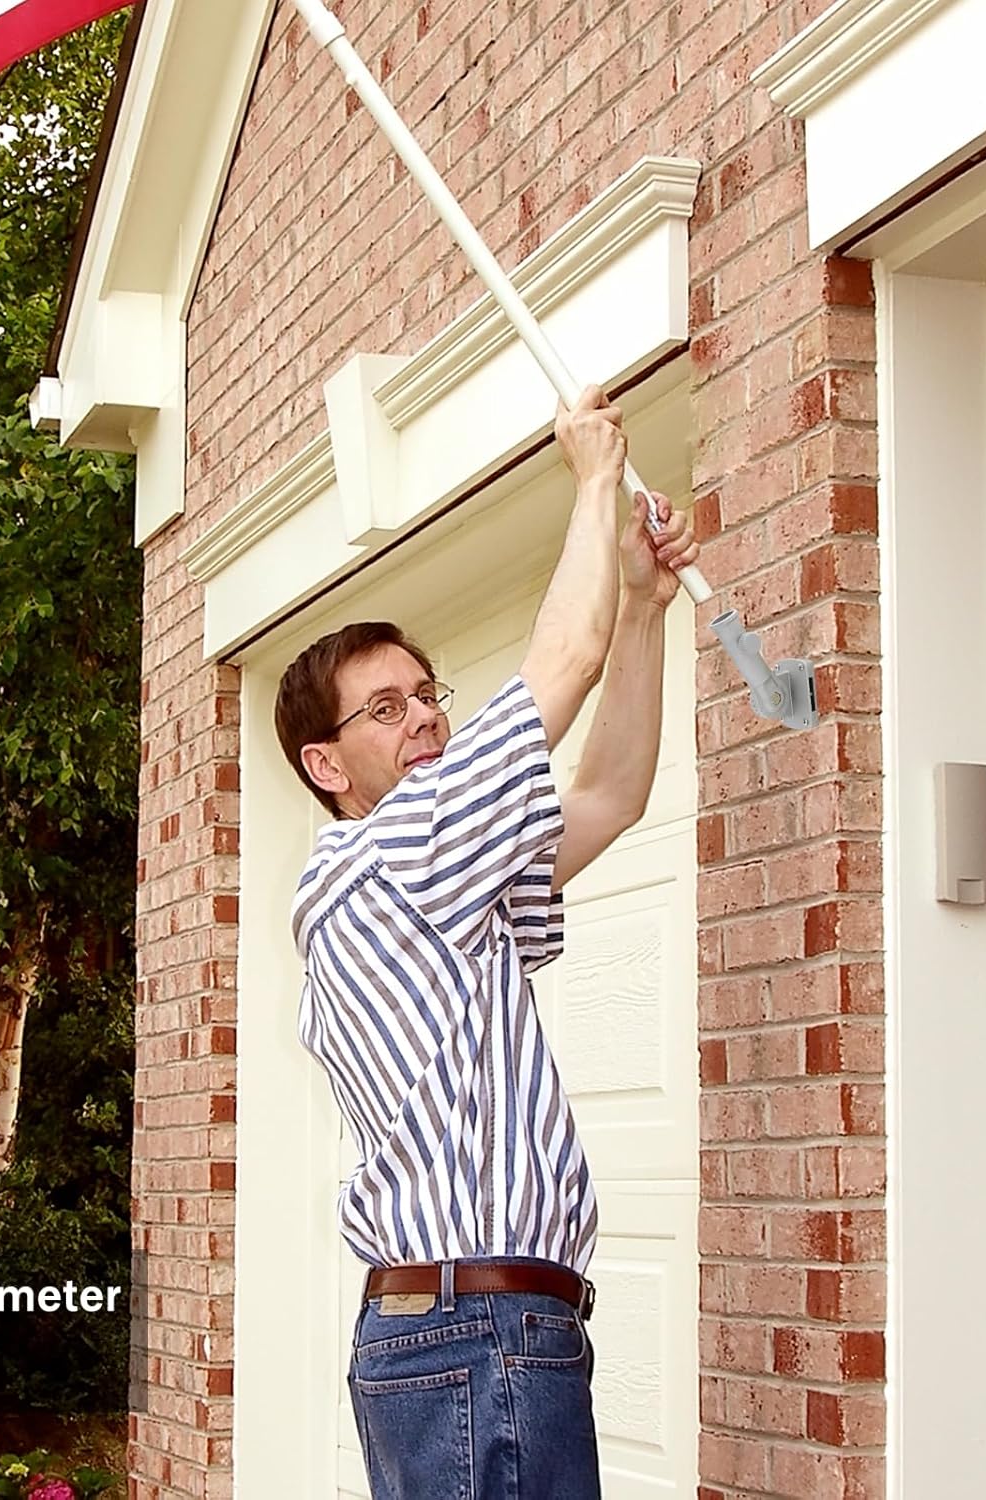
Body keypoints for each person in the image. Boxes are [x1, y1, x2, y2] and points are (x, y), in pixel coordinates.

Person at [272, 385, 700, 1499]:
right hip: (476, 1334)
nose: (424, 716)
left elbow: (608, 795)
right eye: (385, 708)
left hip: (479, 1335)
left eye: (427, 695)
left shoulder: (444, 879)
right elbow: (562, 666)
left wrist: (644, 608)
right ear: (326, 765)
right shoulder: (391, 855)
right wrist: (594, 479)